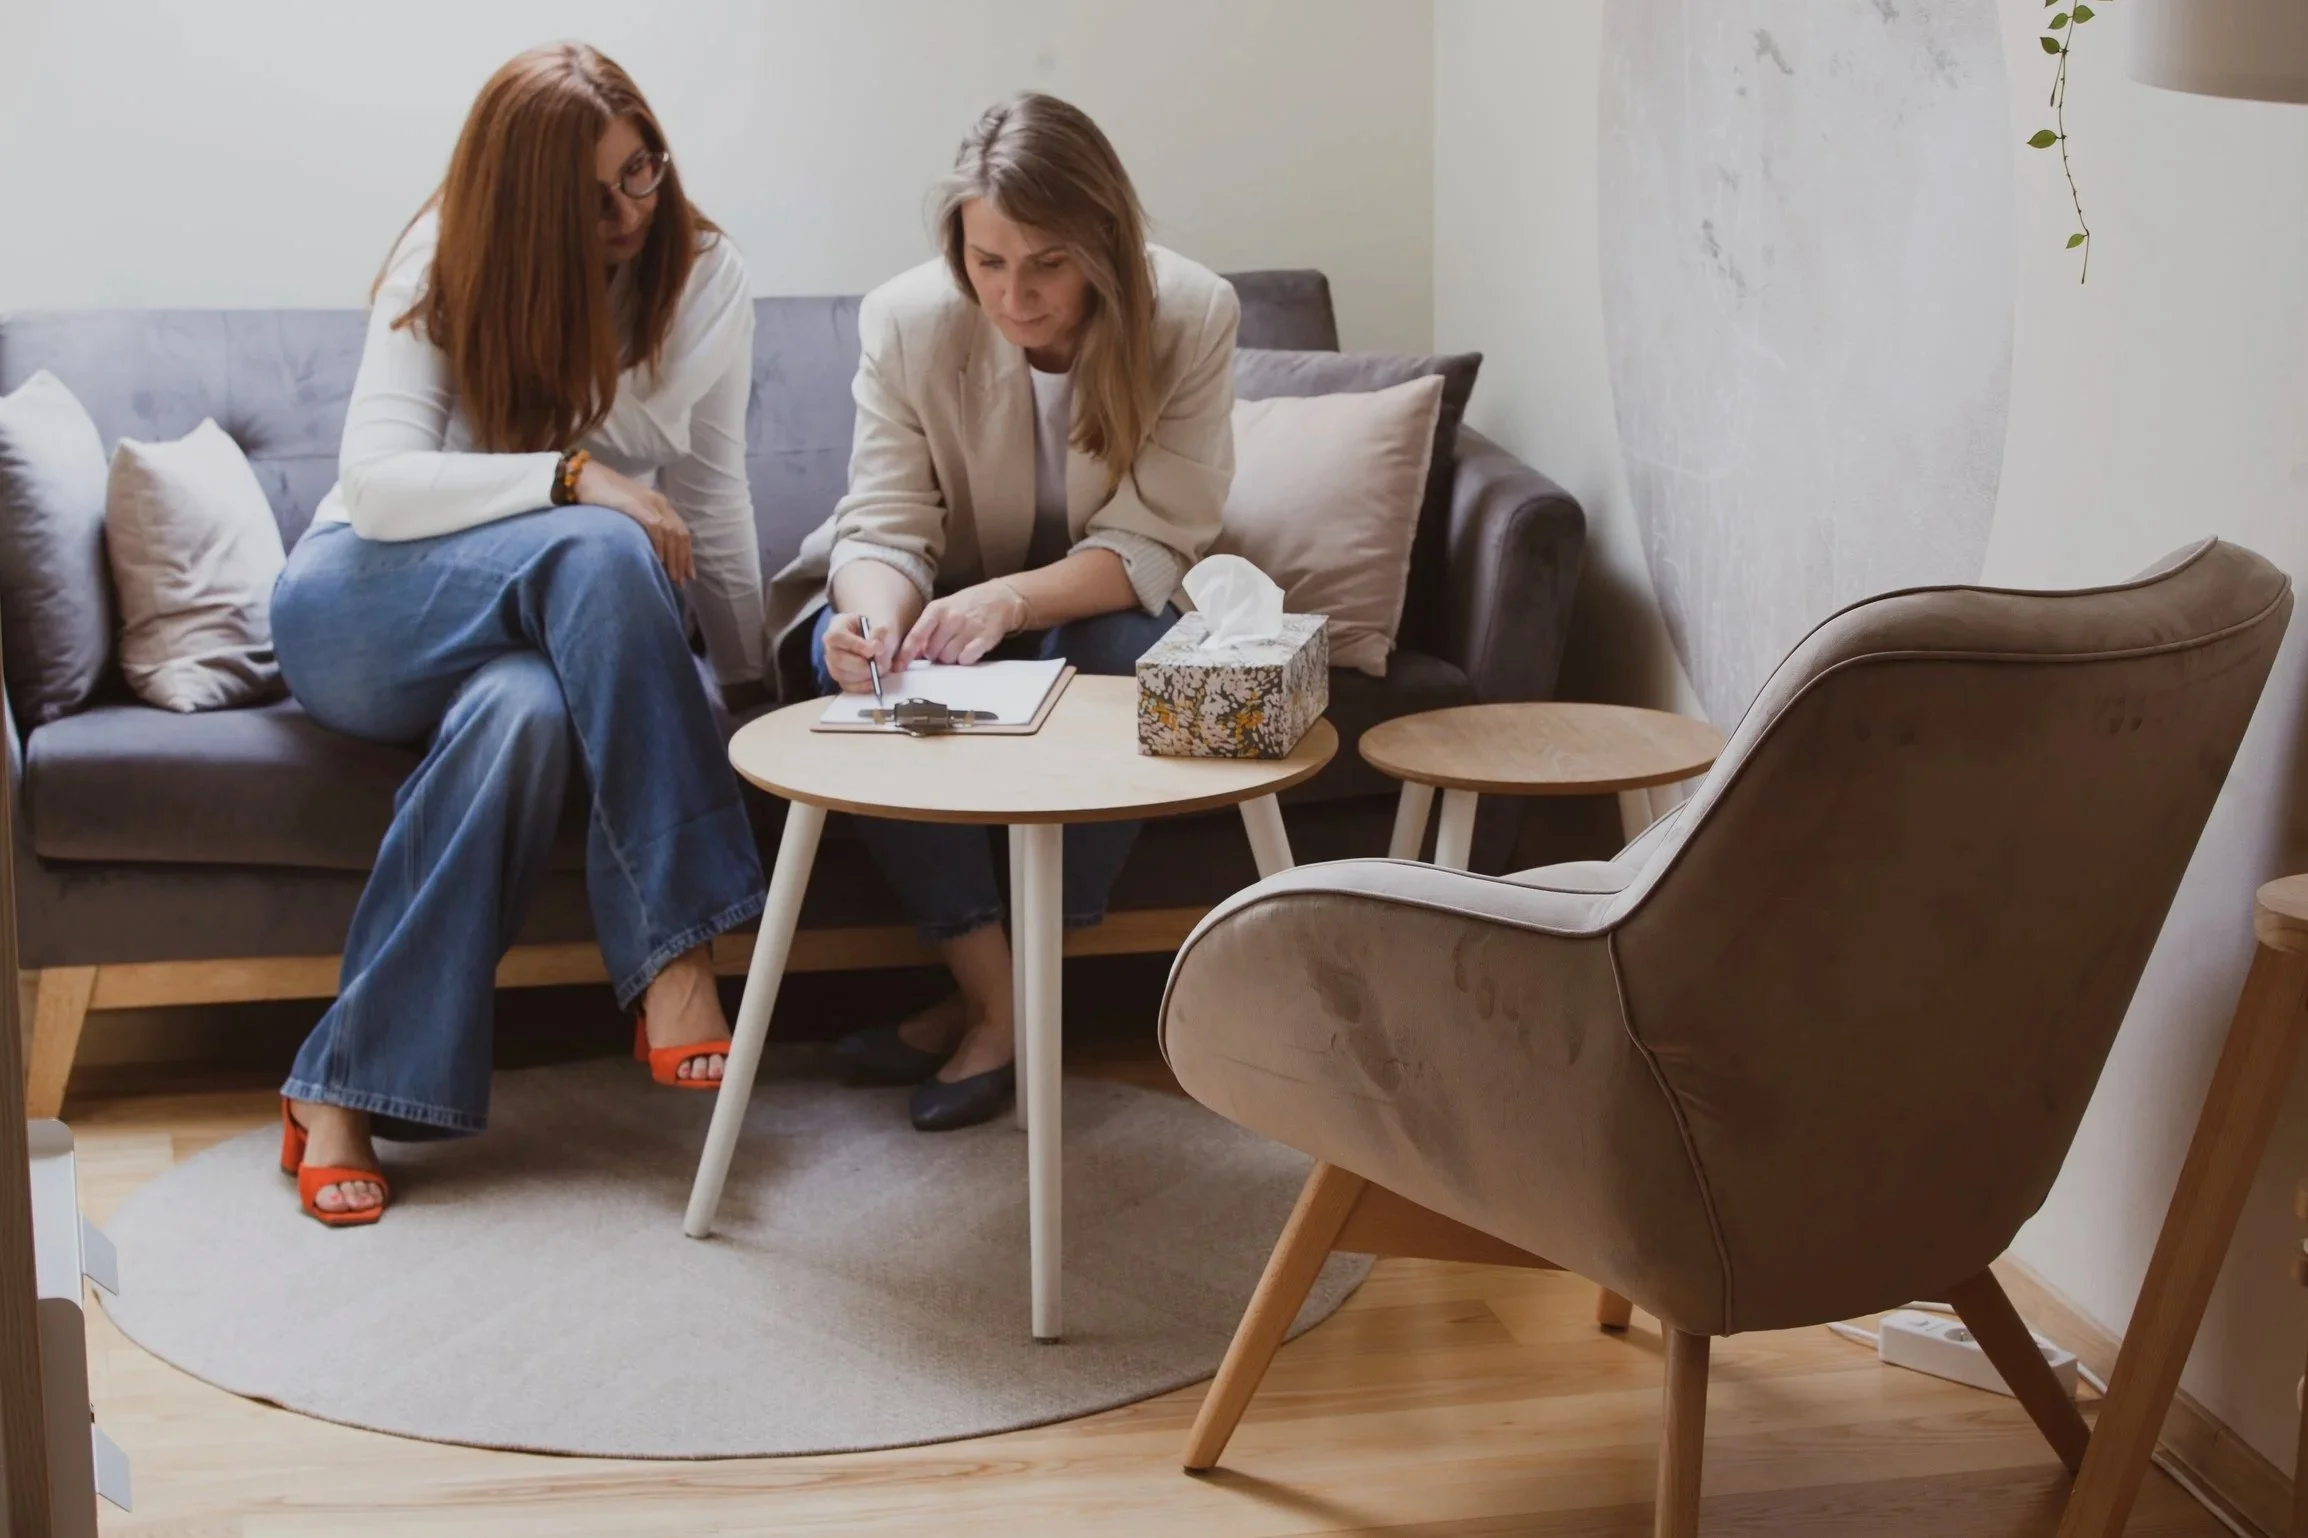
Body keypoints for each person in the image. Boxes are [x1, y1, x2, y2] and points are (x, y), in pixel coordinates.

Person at [270, 43, 769, 1226]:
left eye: (641, 172)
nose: (630, 212)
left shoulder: (705, 274)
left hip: (538, 641)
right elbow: (382, 486)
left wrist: (752, 685)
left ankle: (336, 1091)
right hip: (360, 605)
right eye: (591, 198)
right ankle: (677, 955)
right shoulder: (446, 251)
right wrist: (575, 478)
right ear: (524, 205)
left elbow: (712, 491)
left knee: (526, 714)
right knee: (601, 542)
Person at [763, 92, 1239, 1132]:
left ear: (1105, 247)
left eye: (1047, 264)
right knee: (849, 663)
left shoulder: (1191, 313)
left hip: (1093, 598)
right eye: (988, 263)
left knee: (1130, 658)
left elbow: (1156, 539)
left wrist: (1006, 601)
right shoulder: (905, 319)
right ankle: (1002, 999)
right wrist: (878, 622)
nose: (1014, 297)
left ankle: (989, 1011)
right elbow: (885, 522)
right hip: (940, 598)